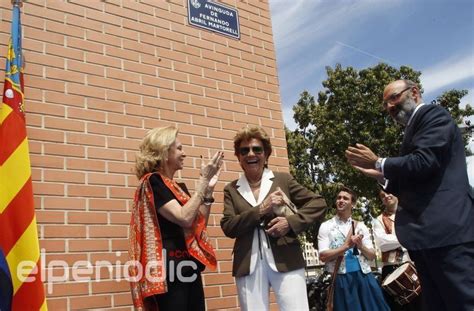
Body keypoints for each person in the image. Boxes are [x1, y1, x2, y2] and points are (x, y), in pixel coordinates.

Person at [345, 79, 474, 310]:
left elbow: (425, 162)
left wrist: (378, 161)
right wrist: (378, 175)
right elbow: (417, 179)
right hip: (427, 239)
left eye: (393, 98)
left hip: (447, 234)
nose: (390, 107)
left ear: (414, 92)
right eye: (385, 104)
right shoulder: (413, 131)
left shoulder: (433, 115)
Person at [220, 126, 327, 311]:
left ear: (266, 154)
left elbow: (318, 203)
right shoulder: (231, 189)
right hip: (248, 263)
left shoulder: (283, 180)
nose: (250, 154)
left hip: (286, 257)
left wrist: (290, 223)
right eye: (244, 150)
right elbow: (228, 226)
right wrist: (261, 210)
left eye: (257, 149)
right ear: (238, 157)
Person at [128, 126, 224, 311]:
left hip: (188, 268)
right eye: (179, 148)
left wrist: (208, 189)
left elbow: (199, 221)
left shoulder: (178, 187)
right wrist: (202, 182)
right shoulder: (153, 181)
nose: (184, 154)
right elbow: (184, 218)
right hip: (169, 272)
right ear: (164, 152)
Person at [318, 186, 390, 311]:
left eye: (345, 198)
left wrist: (360, 246)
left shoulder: (361, 226)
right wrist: (346, 246)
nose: (341, 200)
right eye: (339, 198)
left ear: (353, 204)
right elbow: (323, 256)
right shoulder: (326, 226)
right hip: (341, 279)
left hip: (365, 277)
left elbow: (372, 255)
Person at [373, 190, 421, 311]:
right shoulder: (378, 220)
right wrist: (407, 238)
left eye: (388, 193)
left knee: (423, 303)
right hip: (391, 268)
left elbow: (420, 233)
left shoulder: (410, 213)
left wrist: (394, 241)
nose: (386, 196)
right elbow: (382, 243)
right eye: (382, 196)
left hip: (416, 264)